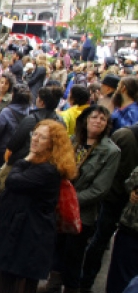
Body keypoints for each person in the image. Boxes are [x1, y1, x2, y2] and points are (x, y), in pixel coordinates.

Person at [0, 120, 77, 293]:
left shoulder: (48, 169)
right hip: (19, 231)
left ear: (52, 144)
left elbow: (13, 180)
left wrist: (25, 158)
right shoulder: (39, 163)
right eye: (35, 134)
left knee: (15, 281)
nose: (35, 139)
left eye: (42, 138)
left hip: (27, 236)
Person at [43, 105, 120, 293]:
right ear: (85, 120)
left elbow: (100, 189)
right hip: (59, 209)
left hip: (82, 214)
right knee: (56, 251)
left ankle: (71, 288)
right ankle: (53, 286)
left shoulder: (111, 151)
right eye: (94, 117)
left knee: (73, 257)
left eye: (103, 119)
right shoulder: (73, 141)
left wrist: (70, 200)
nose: (98, 121)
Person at [82, 123, 138, 292]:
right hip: (117, 203)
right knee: (100, 244)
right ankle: (85, 282)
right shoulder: (126, 136)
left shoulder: (124, 135)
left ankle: (85, 283)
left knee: (102, 246)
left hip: (122, 209)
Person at [6, 85, 65, 167]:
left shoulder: (31, 120)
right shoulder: (61, 122)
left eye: (37, 97)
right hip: (47, 165)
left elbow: (13, 144)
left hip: (24, 163)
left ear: (41, 102)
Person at [105, 165, 138, 293]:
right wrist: (132, 190)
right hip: (129, 227)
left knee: (122, 279)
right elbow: (129, 183)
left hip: (132, 229)